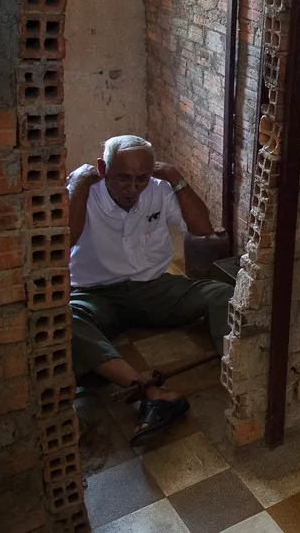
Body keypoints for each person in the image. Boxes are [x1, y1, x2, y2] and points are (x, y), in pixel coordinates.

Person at [67, 135, 232, 446]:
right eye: (123, 178)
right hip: (95, 293)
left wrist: (174, 176)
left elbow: (203, 229)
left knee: (221, 294)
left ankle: (237, 372)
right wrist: (77, 184)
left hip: (153, 286)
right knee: (65, 323)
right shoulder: (87, 193)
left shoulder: (157, 190)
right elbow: (66, 239)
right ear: (103, 169)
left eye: (141, 178)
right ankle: (150, 392)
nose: (132, 188)